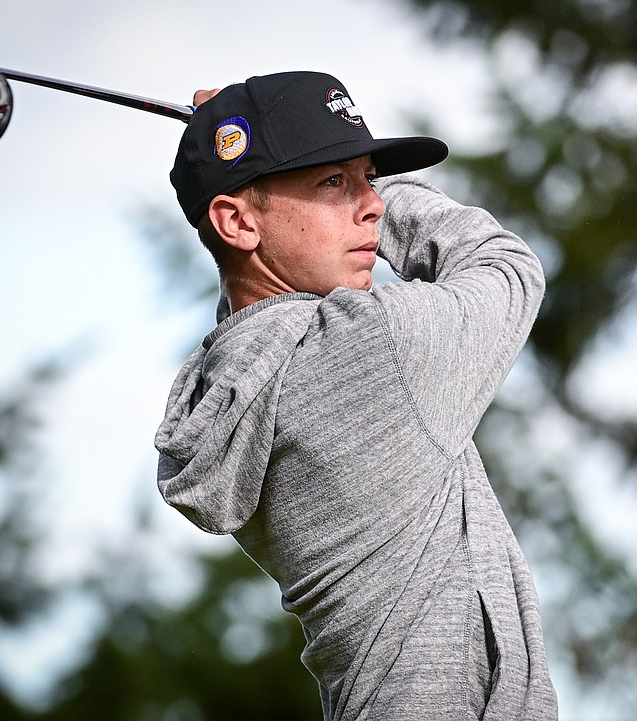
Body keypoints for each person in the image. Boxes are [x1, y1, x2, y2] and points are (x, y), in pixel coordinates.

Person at [154, 71, 558, 720]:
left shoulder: (243, 373)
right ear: (235, 220)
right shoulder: (369, 348)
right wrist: (386, 194)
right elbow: (507, 267)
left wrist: (243, 167)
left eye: (368, 177)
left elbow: (253, 297)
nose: (370, 203)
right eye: (333, 182)